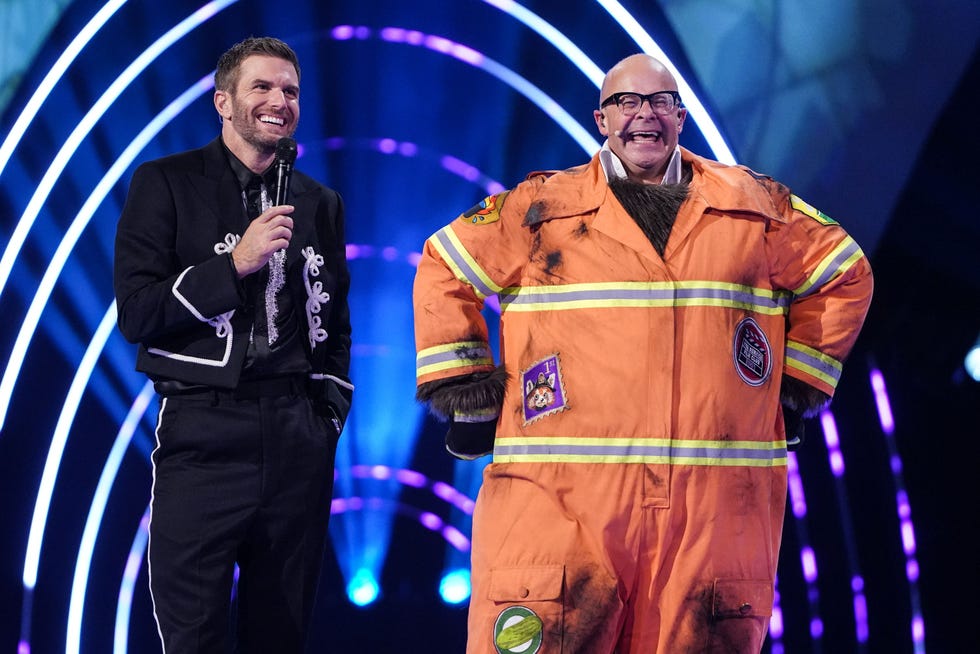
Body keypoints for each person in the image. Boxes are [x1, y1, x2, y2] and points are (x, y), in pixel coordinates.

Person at [412, 54, 872, 653]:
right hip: (561, 507)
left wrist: (793, 385)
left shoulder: (753, 206)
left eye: (659, 102)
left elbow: (845, 272)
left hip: (710, 514)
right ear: (601, 118)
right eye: (626, 102)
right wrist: (466, 390)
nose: (644, 116)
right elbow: (445, 264)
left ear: (680, 116)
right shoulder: (540, 209)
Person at [113, 36, 352, 652]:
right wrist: (234, 266)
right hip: (203, 430)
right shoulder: (165, 183)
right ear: (223, 101)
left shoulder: (319, 202)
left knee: (282, 632)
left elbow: (336, 321)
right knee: (193, 635)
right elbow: (137, 312)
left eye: (291, 91)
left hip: (297, 434)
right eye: (263, 87)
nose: (280, 100)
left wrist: (327, 411)